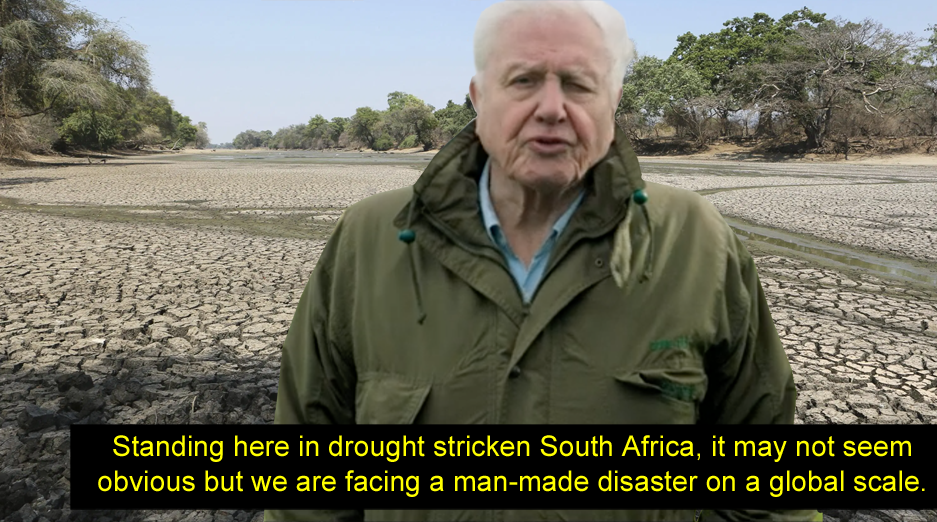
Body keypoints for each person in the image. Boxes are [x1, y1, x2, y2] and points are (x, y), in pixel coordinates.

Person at [265, 1, 819, 521]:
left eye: (579, 83)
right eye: (523, 80)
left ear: (612, 100)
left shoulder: (696, 241)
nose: (551, 109)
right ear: (479, 96)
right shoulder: (371, 240)